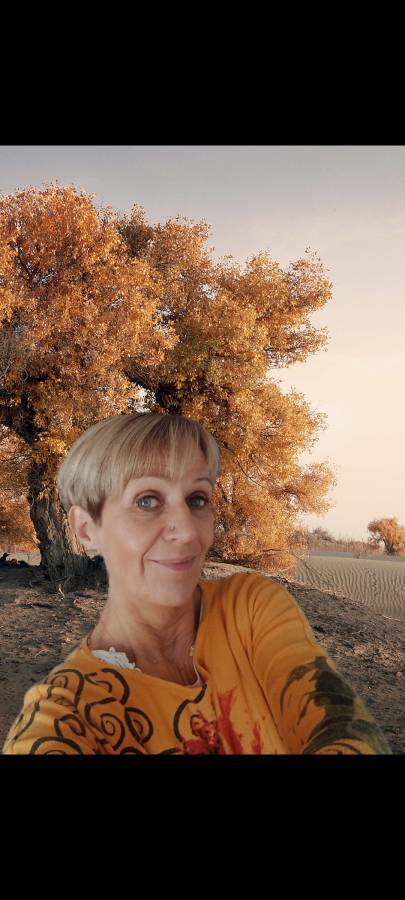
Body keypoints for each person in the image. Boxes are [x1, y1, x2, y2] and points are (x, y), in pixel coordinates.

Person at [2, 412, 391, 755]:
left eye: (197, 499)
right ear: (87, 528)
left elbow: (337, 721)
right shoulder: (67, 710)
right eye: (147, 501)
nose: (187, 532)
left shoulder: (249, 609)